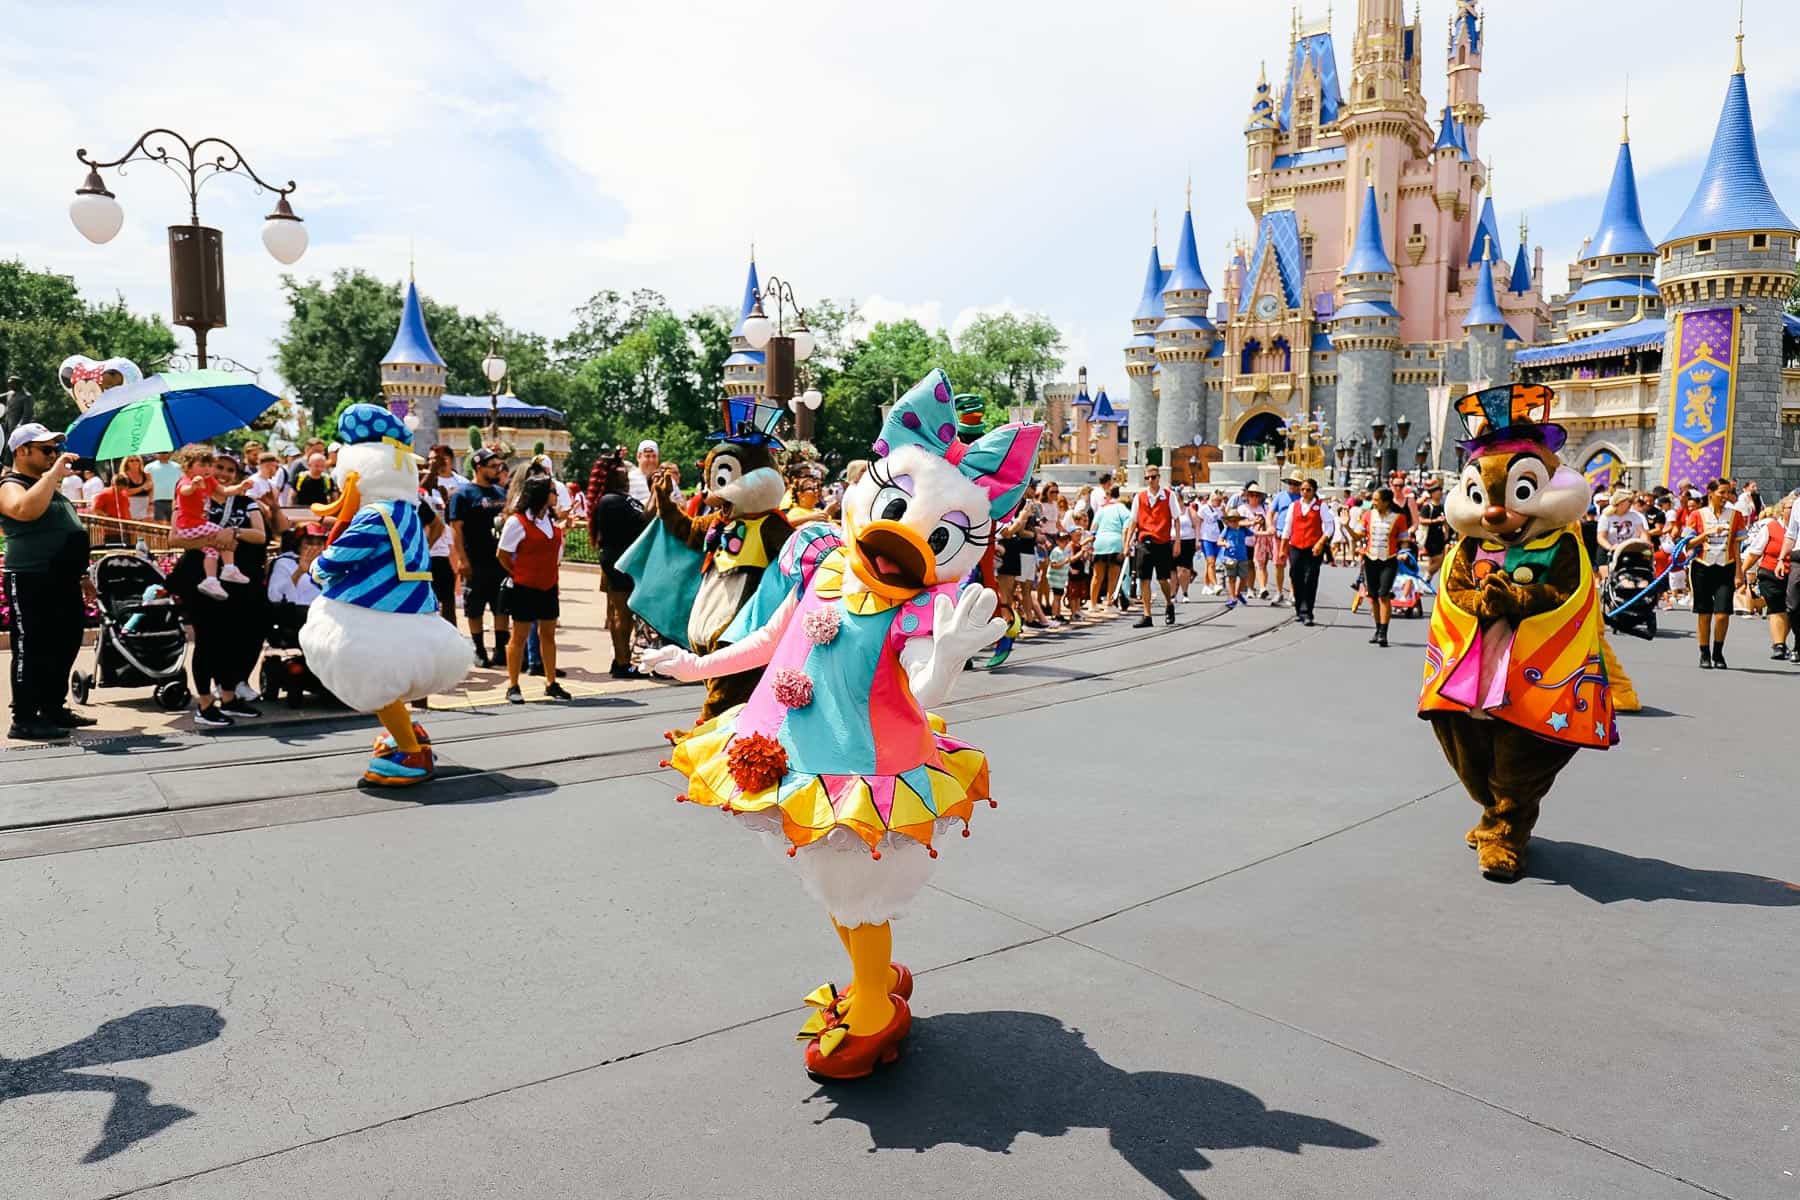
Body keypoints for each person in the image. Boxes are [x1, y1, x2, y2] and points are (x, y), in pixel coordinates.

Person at [0, 424, 97, 739]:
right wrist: (54, 474)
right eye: (46, 450)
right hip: (30, 577)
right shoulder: (10, 484)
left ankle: (52, 707)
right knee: (32, 647)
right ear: (22, 451)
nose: (54, 455)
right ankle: (25, 717)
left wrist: (82, 576)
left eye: (55, 450)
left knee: (64, 643)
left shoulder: (46, 486)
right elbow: (23, 510)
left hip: (62, 578)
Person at [497, 474, 570, 703]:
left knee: (548, 635)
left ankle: (551, 682)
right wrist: (519, 573)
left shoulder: (549, 520)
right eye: (552, 491)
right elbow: (503, 555)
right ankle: (513, 685)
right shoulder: (517, 522)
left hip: (548, 585)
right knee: (519, 636)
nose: (556, 495)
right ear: (541, 495)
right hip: (525, 587)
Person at [209, 454, 271, 706]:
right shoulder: (199, 501)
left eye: (230, 470)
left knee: (251, 630)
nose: (224, 473)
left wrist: (233, 531)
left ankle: (240, 680)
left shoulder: (246, 502)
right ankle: (220, 684)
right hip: (213, 576)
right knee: (219, 632)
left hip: (246, 575)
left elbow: (260, 534)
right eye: (219, 468)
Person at [449, 447, 511, 668]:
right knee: (474, 607)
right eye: (492, 466)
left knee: (501, 606)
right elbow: (456, 528)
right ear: (478, 467)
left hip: (500, 561)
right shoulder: (463, 494)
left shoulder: (502, 493)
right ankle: (479, 649)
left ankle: (501, 649)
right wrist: (461, 559)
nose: (497, 470)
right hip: (475, 560)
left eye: (498, 466)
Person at [589, 452, 649, 679]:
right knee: (622, 613)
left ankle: (620, 660)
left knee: (622, 612)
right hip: (620, 561)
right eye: (622, 474)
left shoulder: (620, 498)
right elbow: (647, 516)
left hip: (623, 560)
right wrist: (656, 492)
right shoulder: (611, 501)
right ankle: (623, 662)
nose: (627, 477)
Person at [171, 445, 253, 601]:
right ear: (188, 467)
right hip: (189, 525)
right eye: (202, 465)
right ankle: (229, 568)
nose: (207, 469)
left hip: (197, 525)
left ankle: (211, 580)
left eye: (209, 465)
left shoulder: (209, 480)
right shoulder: (186, 481)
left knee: (212, 551)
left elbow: (225, 491)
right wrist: (193, 486)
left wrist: (240, 487)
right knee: (225, 535)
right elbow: (184, 491)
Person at [1686, 477, 1745, 669]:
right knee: (1704, 613)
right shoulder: (1697, 515)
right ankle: (1704, 652)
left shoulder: (1736, 515)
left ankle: (1718, 652)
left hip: (1725, 567)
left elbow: (1737, 546)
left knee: (1722, 614)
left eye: (1728, 493)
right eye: (1721, 492)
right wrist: (1706, 534)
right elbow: (1687, 543)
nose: (1725, 497)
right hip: (1702, 566)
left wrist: (1739, 572)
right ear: (1711, 493)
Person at [1352, 485, 1410, 647]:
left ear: (1386, 502)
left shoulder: (1399, 518)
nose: (1374, 503)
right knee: (1373, 596)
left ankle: (1384, 632)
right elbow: (1357, 536)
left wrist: (1404, 552)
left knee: (1384, 594)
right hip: (1370, 559)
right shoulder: (1368, 515)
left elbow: (1404, 539)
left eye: (1377, 500)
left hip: (1389, 560)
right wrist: (1346, 526)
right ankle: (1377, 629)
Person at [1125, 464, 1180, 628]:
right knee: (1144, 580)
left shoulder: (1169, 496)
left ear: (1159, 478)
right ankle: (1147, 615)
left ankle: (1169, 604)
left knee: (1163, 579)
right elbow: (1133, 521)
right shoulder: (1139, 497)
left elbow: (1176, 519)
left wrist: (1177, 541)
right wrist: (1127, 543)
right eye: (1147, 478)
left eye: (1153, 477)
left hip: (1162, 543)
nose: (1150, 480)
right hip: (1144, 542)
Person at [1746, 495, 1795, 660]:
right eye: (1790, 507)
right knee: (1777, 606)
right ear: (1782, 510)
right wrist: (1742, 573)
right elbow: (1754, 552)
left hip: (1794, 573)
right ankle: (1779, 645)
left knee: (1792, 610)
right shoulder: (1770, 527)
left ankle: (1787, 642)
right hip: (1770, 572)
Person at [1284, 477, 1336, 626]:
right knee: (1295, 576)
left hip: (1313, 547)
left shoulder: (1321, 506)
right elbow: (1288, 527)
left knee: (1310, 579)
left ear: (1314, 491)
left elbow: (1329, 527)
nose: (1305, 492)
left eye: (1308, 490)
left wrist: (1321, 542)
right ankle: (1299, 609)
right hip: (1295, 545)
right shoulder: (1294, 506)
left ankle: (1307, 612)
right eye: (1303, 490)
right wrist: (1283, 547)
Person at [1087, 486, 1128, 614]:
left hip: (1100, 542)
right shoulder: (1122, 508)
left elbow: (1093, 527)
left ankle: (1093, 604)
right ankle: (1109, 604)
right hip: (1115, 542)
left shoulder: (1102, 509)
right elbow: (1127, 526)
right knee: (1113, 576)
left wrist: (1091, 542)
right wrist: (1125, 544)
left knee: (1097, 576)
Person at [1597, 489, 1649, 576]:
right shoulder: (1606, 517)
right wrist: (1610, 547)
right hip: (1609, 552)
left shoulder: (1635, 516)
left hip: (1629, 551)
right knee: (1607, 578)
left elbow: (1643, 533)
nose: (1631, 503)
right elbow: (1601, 537)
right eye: (1629, 501)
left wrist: (1643, 543)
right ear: (1620, 502)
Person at [1238, 482, 1276, 598]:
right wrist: (1252, 522)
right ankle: (1250, 588)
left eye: (1257, 495)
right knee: (1249, 565)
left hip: (1261, 540)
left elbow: (1270, 521)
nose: (1254, 497)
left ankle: (1263, 588)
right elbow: (1238, 522)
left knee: (1262, 564)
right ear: (1247, 496)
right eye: (1252, 495)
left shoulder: (1264, 508)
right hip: (1247, 540)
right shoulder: (1242, 509)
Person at [1270, 475, 1302, 606]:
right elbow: (1270, 513)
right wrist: (1270, 525)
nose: (1293, 486)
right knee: (1279, 564)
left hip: (1296, 536)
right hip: (1279, 534)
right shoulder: (1280, 496)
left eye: (1296, 484)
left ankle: (1293, 593)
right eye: (1291, 483)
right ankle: (1279, 591)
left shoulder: (1303, 498)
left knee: (1295, 566)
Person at [1217, 508, 1253, 609]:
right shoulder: (1227, 530)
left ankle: (1237, 593)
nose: (1234, 522)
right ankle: (1232, 598)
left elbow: (1253, 533)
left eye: (1236, 520)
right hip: (1230, 557)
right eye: (1231, 520)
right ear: (1228, 522)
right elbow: (1219, 541)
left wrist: (1257, 524)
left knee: (1244, 577)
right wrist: (1225, 543)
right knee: (1231, 578)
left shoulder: (1243, 529)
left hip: (1242, 557)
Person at [1196, 489, 1225, 594]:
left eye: (1220, 500)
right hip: (1207, 538)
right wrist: (1198, 539)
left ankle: (1206, 585)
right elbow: (1198, 524)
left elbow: (1224, 521)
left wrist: (1224, 510)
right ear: (1212, 499)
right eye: (1217, 500)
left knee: (1210, 564)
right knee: (1211, 562)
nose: (1218, 503)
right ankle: (1215, 584)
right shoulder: (1204, 509)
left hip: (1217, 538)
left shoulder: (1220, 509)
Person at [1415, 480, 1448, 576]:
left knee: (1433, 560)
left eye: (1441, 491)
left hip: (1440, 536)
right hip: (1430, 537)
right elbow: (1421, 520)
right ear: (1432, 494)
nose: (1440, 493)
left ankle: (1427, 581)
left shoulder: (1442, 507)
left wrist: (1446, 532)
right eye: (1438, 491)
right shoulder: (1427, 507)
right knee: (1439, 560)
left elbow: (1445, 521)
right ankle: (1426, 576)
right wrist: (1435, 521)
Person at [144, 450, 183, 523]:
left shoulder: (178, 467)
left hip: (174, 501)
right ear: (156, 453)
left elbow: (181, 483)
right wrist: (150, 503)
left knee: (173, 524)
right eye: (160, 452)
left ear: (170, 453)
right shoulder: (148, 467)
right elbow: (148, 485)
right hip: (156, 502)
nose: (162, 454)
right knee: (159, 526)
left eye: (165, 452)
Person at [1046, 530, 1073, 622]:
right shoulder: (1056, 551)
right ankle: (1055, 615)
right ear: (1057, 541)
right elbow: (1053, 565)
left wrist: (1070, 569)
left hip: (1062, 578)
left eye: (1066, 540)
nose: (1065, 542)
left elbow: (1066, 564)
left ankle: (1058, 613)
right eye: (1062, 540)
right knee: (1056, 597)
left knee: (1059, 596)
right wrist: (1064, 562)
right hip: (1055, 578)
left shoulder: (1065, 551)